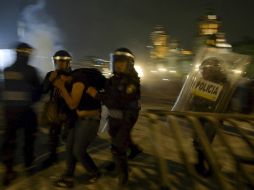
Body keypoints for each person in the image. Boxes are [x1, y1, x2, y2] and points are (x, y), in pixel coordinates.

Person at [87, 48, 142, 186]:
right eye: (116, 62)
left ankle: (123, 176)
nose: (118, 65)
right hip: (114, 115)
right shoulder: (112, 79)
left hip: (128, 116)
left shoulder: (132, 82)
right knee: (117, 137)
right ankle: (134, 150)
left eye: (122, 63)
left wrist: (97, 95)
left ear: (129, 63)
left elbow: (117, 101)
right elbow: (106, 92)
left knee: (118, 146)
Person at [53, 68, 106, 188]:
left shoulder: (78, 82)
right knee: (69, 147)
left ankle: (94, 172)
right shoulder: (72, 82)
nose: (58, 83)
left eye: (58, 80)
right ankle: (69, 177)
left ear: (63, 77)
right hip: (79, 119)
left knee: (78, 151)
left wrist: (62, 88)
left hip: (89, 120)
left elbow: (73, 104)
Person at [1, 42, 41, 186]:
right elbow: (38, 92)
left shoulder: (7, 70)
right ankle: (29, 165)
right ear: (27, 54)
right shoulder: (31, 71)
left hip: (9, 112)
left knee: (9, 141)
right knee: (29, 139)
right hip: (26, 111)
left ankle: (9, 170)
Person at [41, 50, 72, 167]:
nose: (60, 64)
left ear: (68, 63)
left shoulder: (72, 76)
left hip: (68, 109)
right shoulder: (50, 74)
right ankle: (52, 156)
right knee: (53, 134)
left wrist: (67, 82)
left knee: (69, 135)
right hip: (55, 108)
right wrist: (50, 80)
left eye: (63, 62)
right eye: (58, 62)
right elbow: (43, 90)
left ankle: (71, 159)